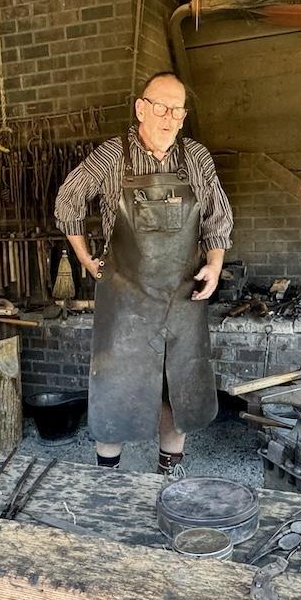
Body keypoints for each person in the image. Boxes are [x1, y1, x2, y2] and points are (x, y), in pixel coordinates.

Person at [54, 72, 233, 476]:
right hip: (125, 300)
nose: (169, 117)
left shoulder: (196, 159)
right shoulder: (111, 156)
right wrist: (84, 257)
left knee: (178, 391)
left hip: (181, 299)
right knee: (115, 390)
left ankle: (168, 473)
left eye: (177, 110)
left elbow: (218, 218)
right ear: (141, 108)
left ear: (183, 116)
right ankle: (108, 478)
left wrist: (215, 263)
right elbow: (67, 202)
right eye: (160, 107)